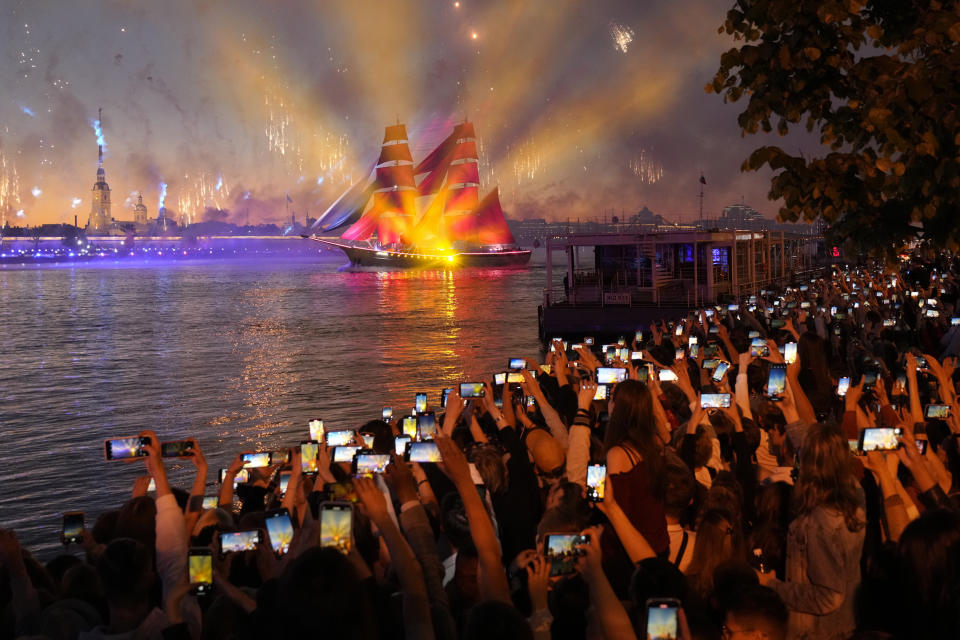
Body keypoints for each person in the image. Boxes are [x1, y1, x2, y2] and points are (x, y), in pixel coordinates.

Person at [758, 423, 865, 640]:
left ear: (809, 464)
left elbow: (828, 596)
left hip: (817, 632)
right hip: (844, 625)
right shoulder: (855, 498)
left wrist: (772, 585)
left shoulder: (819, 523)